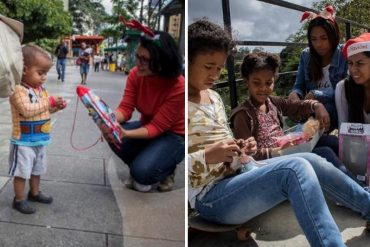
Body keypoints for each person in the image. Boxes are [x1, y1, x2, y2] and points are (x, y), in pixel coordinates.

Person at [188, 19, 370, 247]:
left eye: (219, 68)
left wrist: (242, 146)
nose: (215, 75)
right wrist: (207, 156)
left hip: (242, 172)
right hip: (210, 196)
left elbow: (225, 142)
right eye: (208, 67)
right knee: (296, 168)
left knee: (313, 158)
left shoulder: (213, 97)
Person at [230, 51, 356, 180]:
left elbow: (297, 106)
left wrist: (317, 105)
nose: (263, 88)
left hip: (286, 150)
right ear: (246, 82)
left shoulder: (273, 102)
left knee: (331, 141)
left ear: (274, 81)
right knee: (325, 153)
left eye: (268, 83)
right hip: (269, 163)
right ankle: (358, 190)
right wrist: (279, 151)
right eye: (256, 83)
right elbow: (248, 156)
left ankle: (355, 177)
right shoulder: (243, 115)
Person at [100, 26, 184, 192]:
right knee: (113, 135)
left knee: (143, 173)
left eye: (144, 59)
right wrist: (108, 118)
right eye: (137, 56)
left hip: (174, 135)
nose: (138, 63)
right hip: (146, 127)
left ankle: (165, 169)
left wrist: (125, 133)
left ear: (162, 61)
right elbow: (125, 109)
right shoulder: (135, 74)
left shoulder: (179, 86)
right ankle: (145, 166)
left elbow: (157, 127)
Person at [8, 44, 66, 214]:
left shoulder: (41, 90)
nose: (44, 77)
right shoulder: (18, 91)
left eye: (46, 73)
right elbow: (27, 110)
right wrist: (49, 102)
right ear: (25, 70)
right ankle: (18, 200)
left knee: (37, 169)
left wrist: (56, 107)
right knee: (22, 172)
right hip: (23, 142)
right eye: (40, 73)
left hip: (40, 139)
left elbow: (45, 110)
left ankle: (34, 192)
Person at [288, 6, 347, 131]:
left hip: (337, 108)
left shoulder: (344, 53)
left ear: (333, 35)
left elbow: (346, 89)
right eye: (313, 39)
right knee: (292, 112)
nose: (318, 44)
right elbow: (299, 85)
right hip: (314, 108)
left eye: (324, 38)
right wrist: (294, 94)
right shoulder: (306, 55)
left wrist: (317, 94)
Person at [336, 33, 370, 126]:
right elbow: (343, 130)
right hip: (354, 141)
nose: (353, 70)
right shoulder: (342, 88)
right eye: (350, 63)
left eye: (360, 63)